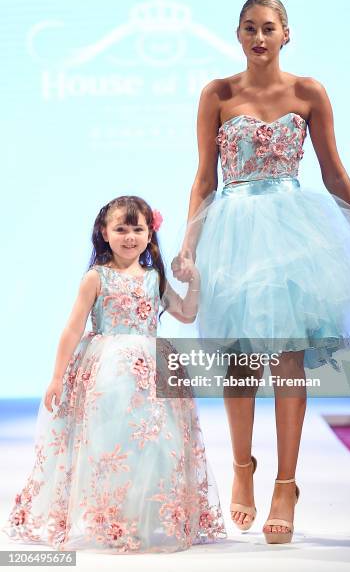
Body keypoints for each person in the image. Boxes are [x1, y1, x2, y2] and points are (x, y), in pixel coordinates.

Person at [171, 0, 350, 545]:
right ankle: (243, 469)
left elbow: (335, 175)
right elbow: (205, 179)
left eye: (268, 28)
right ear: (238, 34)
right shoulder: (217, 94)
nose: (258, 37)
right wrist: (187, 246)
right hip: (234, 233)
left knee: (288, 358)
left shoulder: (308, 92)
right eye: (249, 28)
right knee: (241, 357)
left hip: (295, 234)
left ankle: (286, 483)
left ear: (286, 34)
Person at [2, 195, 226, 554]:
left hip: (152, 367)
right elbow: (72, 330)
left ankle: (145, 516)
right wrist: (57, 377)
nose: (129, 237)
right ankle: (111, 517)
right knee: (110, 440)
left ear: (149, 234)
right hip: (107, 369)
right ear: (104, 233)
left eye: (137, 229)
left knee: (155, 441)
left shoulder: (155, 278)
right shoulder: (96, 277)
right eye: (120, 228)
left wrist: (195, 278)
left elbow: (186, 313)